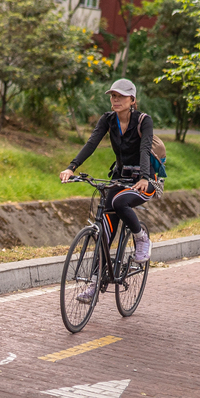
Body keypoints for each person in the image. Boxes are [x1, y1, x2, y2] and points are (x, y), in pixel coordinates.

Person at [61, 79, 159, 302]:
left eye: (121, 96)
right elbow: (92, 143)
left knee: (119, 203)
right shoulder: (108, 119)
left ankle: (141, 237)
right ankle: (95, 284)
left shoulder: (144, 121)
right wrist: (71, 167)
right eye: (113, 96)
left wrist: (145, 177)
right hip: (120, 178)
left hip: (143, 182)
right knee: (104, 231)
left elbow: (145, 149)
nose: (115, 100)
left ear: (132, 100)